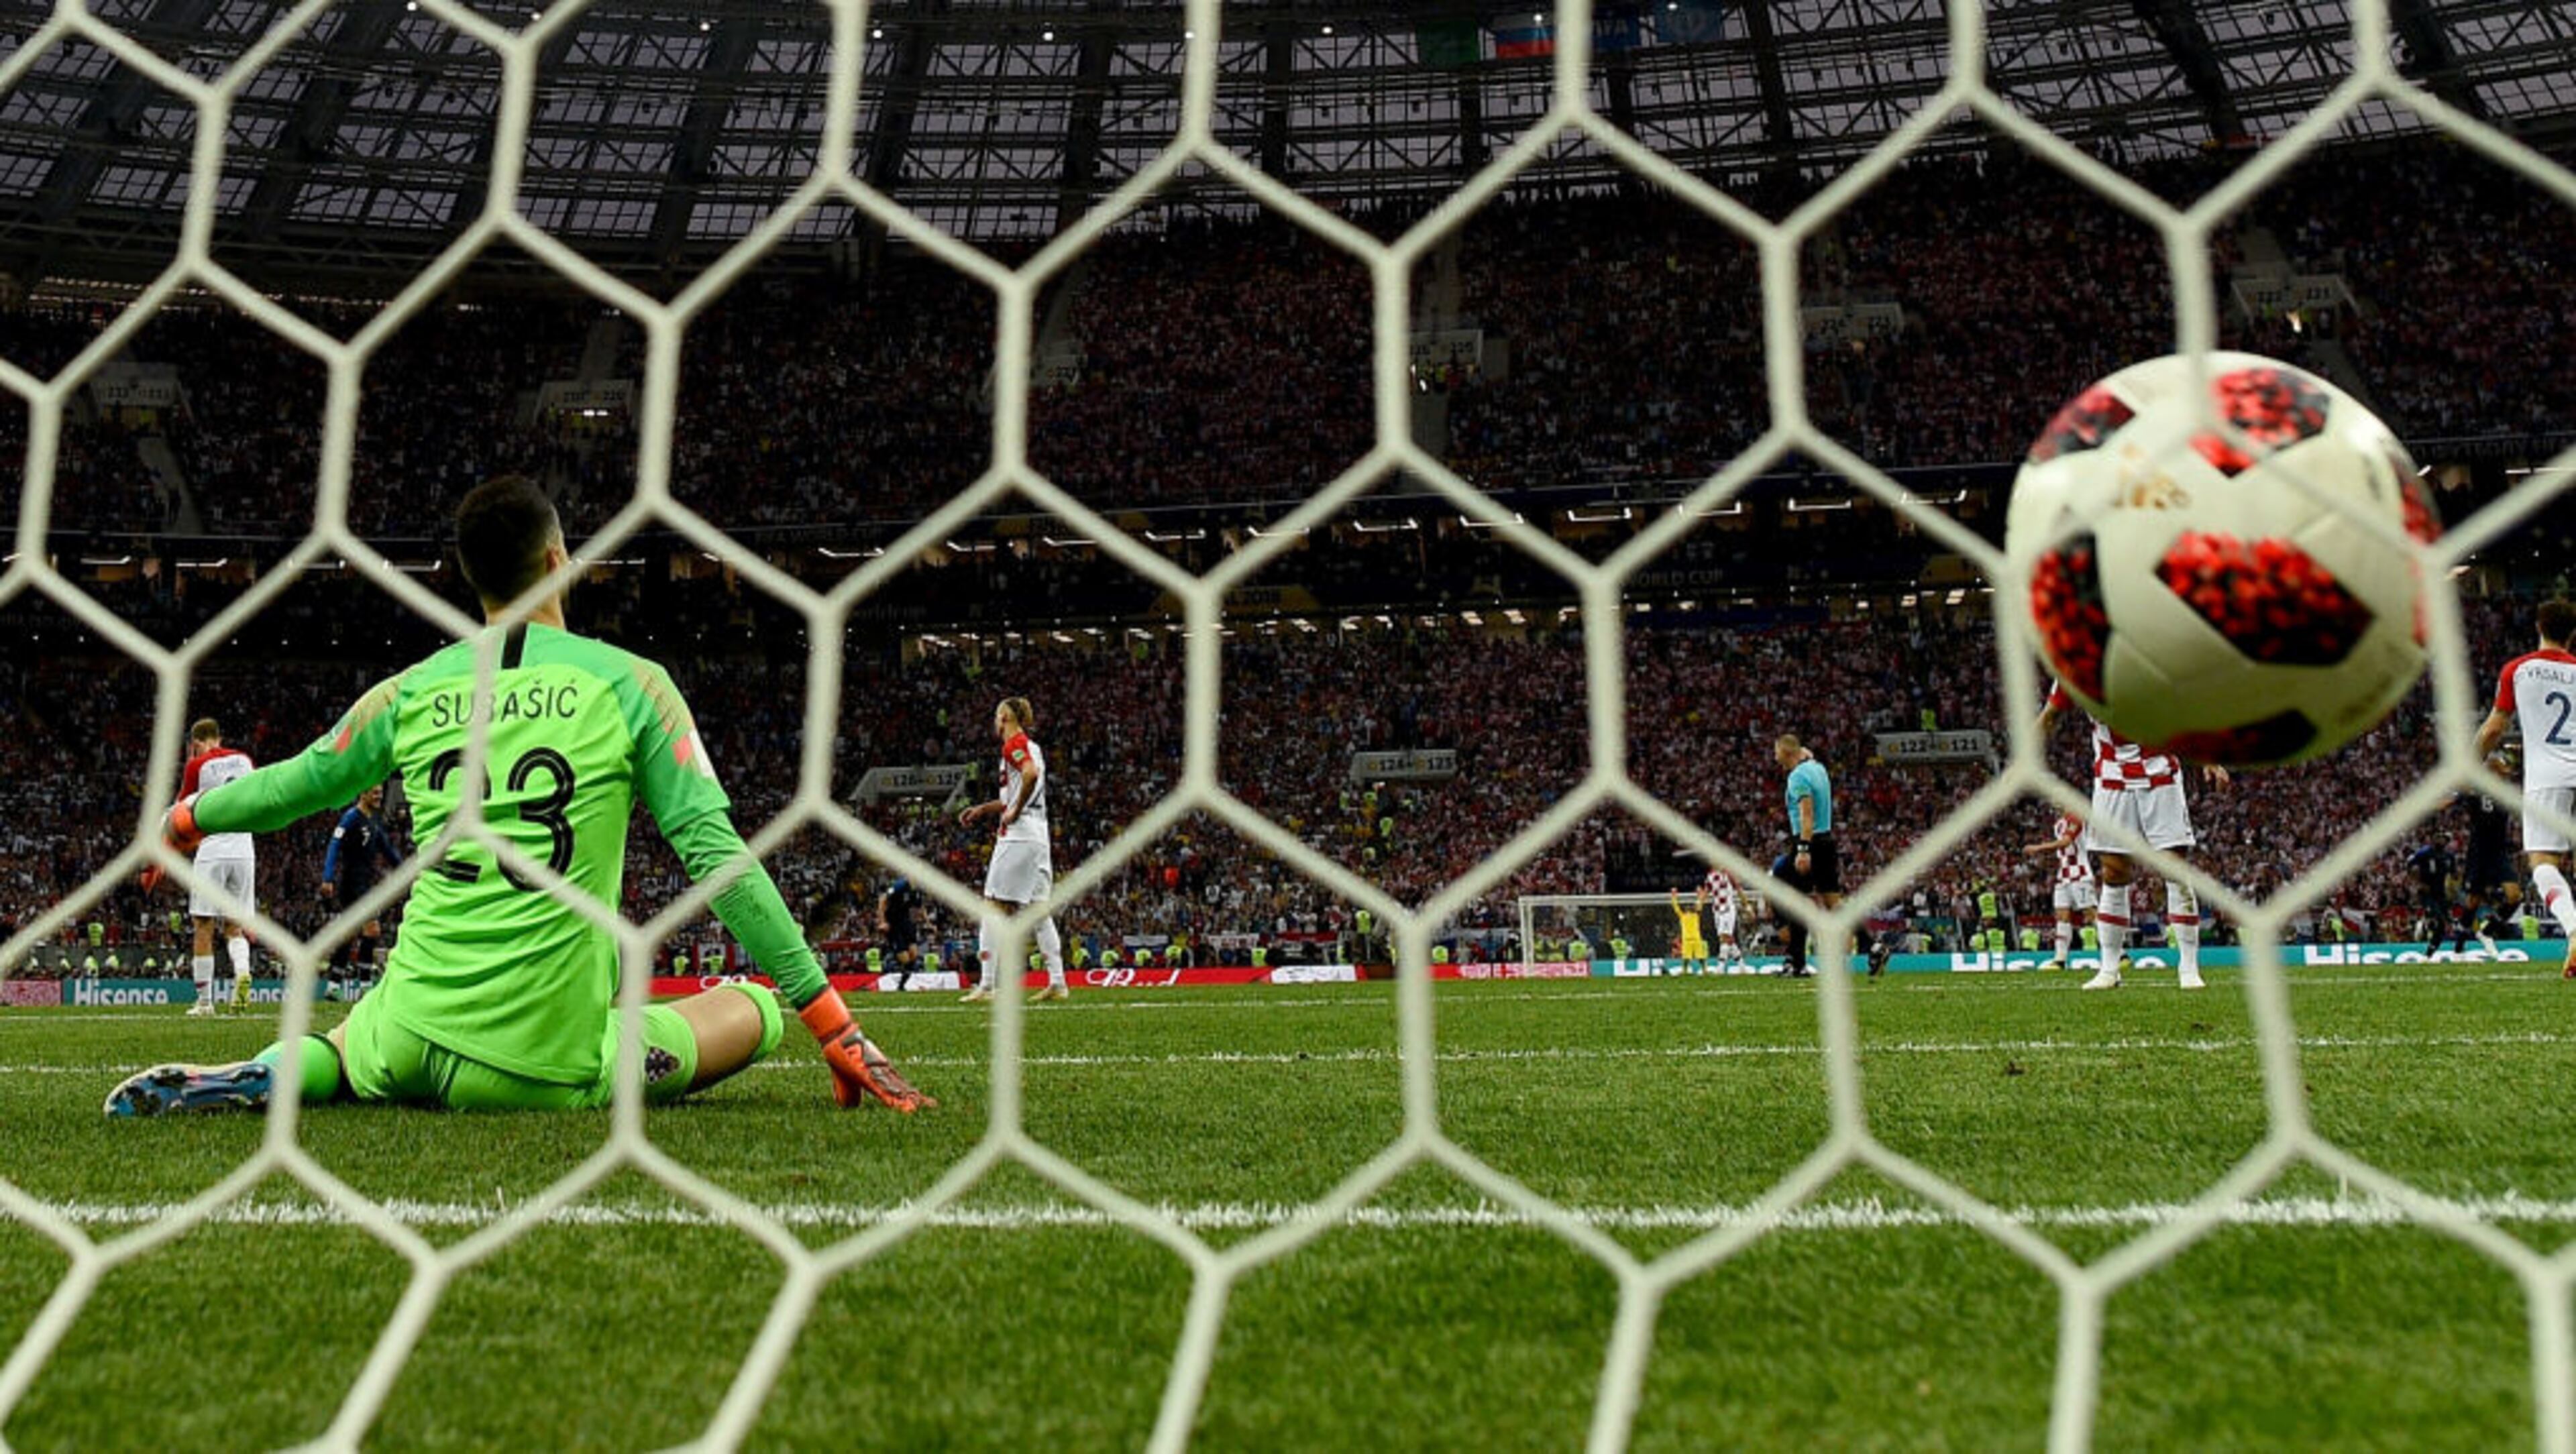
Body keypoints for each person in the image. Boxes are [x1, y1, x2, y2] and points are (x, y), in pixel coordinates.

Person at [105, 475, 932, 1116]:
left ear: (471, 580)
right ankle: (677, 1037)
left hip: (406, 1035)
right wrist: (835, 1021)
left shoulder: (410, 690)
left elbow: (294, 784)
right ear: (558, 557)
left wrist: (180, 819)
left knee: (349, 1041)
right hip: (539, 1062)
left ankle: (276, 1071)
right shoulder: (635, 685)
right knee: (754, 1011)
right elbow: (717, 858)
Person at [2037, 684, 2229, 991]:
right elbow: (2049, 717)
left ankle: (2189, 968)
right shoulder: (2075, 669)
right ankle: (2109, 970)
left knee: (2175, 870)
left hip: (2160, 776)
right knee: (2114, 873)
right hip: (2112, 781)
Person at [2473, 599, 2576, 975]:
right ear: (2573, 634)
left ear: (2538, 627)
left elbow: (2495, 728)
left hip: (2548, 777)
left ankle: (2574, 929)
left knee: (2544, 864)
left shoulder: (2519, 669)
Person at [957, 697, 1071, 1003]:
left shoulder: (1014, 744)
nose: (995, 721)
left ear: (1005, 716)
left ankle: (988, 984)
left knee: (992, 908)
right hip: (1039, 834)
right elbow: (1025, 784)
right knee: (1038, 912)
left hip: (1019, 835)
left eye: (997, 715)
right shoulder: (1032, 746)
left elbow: (1030, 775)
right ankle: (1058, 982)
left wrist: (1014, 811)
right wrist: (984, 809)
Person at [142, 718, 256, 1016]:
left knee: (203, 925)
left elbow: (183, 810)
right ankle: (242, 972)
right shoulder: (245, 761)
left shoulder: (197, 766)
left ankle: (205, 1003)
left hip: (213, 849)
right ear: (220, 736)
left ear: (195, 743)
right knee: (234, 927)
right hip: (245, 849)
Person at [1769, 734, 1888, 978]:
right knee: (1834, 903)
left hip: (1808, 842)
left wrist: (1802, 849)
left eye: (1777, 752)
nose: (1774, 756)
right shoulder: (1817, 769)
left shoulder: (1797, 777)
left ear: (1787, 753)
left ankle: (1796, 962)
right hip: (1827, 841)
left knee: (1793, 896)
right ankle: (1872, 946)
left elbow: (1807, 814)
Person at [318, 783, 407, 1001]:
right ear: (363, 793)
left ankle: (333, 985)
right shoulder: (351, 818)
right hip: (352, 883)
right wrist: (328, 877)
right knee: (372, 930)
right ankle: (366, 985)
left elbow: (386, 848)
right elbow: (334, 845)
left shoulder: (374, 820)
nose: (379, 797)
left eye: (381, 793)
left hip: (365, 884)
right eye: (375, 793)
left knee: (350, 935)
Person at [2022, 808, 2097, 971]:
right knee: (2062, 916)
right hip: (2063, 875)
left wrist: (2038, 848)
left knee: (2090, 915)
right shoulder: (2058, 824)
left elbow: (2067, 842)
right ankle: (2060, 960)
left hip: (2080, 874)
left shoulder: (2076, 817)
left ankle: (2120, 954)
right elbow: (2062, 851)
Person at [2405, 836, 2460, 954]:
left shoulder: (2449, 856)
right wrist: (2418, 883)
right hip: (2427, 893)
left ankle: (2429, 954)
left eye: (2444, 839)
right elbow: (2409, 865)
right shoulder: (2424, 852)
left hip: (2441, 894)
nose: (2441, 841)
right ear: (2434, 840)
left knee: (2443, 926)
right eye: (2439, 838)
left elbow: (2454, 874)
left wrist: (2455, 879)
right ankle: (2424, 924)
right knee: (2439, 919)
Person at [1668, 886, 1708, 972]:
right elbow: (1676, 907)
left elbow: (1700, 903)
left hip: (1697, 939)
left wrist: (1700, 894)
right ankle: (1684, 970)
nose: (1689, 908)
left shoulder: (1696, 915)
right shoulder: (1683, 916)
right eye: (1687, 907)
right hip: (1687, 940)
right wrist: (1674, 896)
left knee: (1701, 957)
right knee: (1686, 958)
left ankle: (1705, 970)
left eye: (1690, 907)